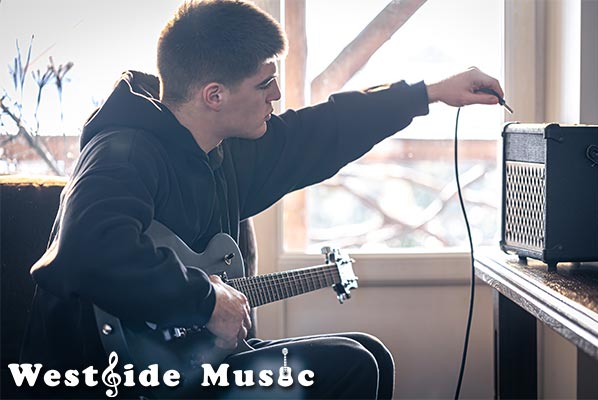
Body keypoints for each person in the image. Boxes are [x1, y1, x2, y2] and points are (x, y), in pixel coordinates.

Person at [20, 0, 505, 398]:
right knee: (353, 366)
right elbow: (90, 250)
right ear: (214, 95)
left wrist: (430, 93)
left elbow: (321, 130)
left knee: (369, 353)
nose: (276, 95)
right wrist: (206, 299)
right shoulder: (123, 150)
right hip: (112, 376)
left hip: (186, 363)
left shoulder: (224, 150)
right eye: (264, 83)